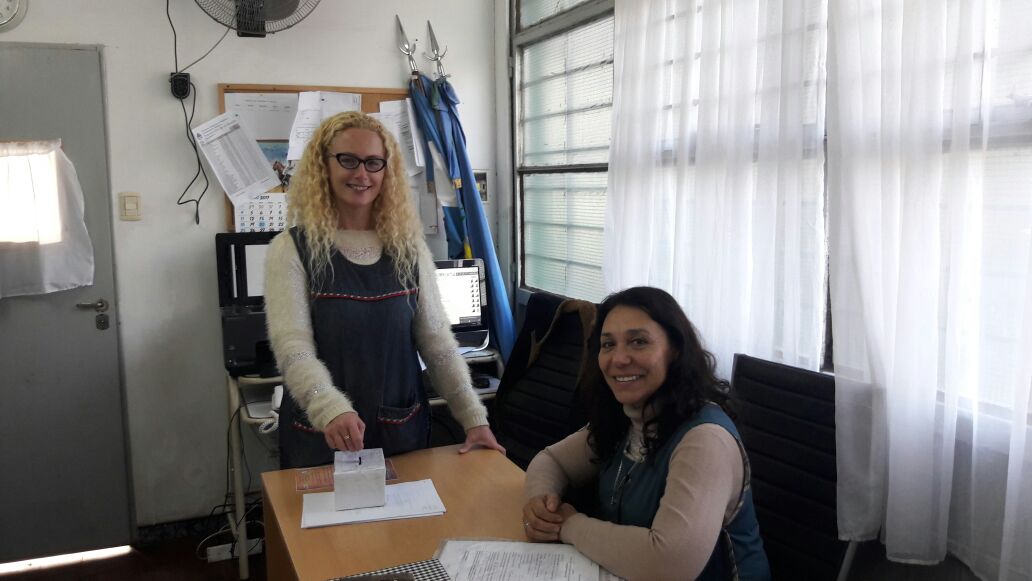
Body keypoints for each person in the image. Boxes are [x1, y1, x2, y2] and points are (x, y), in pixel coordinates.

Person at [264, 111, 504, 469]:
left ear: (386, 171)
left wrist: (474, 418)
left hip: (399, 433)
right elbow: (293, 348)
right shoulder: (291, 249)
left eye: (374, 162)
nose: (362, 174)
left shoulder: (409, 250)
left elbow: (437, 344)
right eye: (348, 160)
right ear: (323, 166)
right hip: (321, 437)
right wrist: (328, 406)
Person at [522, 287, 770, 580]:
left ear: (675, 350)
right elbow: (551, 461)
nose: (619, 358)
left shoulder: (706, 440)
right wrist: (542, 506)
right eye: (608, 344)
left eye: (638, 342)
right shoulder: (628, 414)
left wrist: (569, 525)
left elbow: (668, 563)